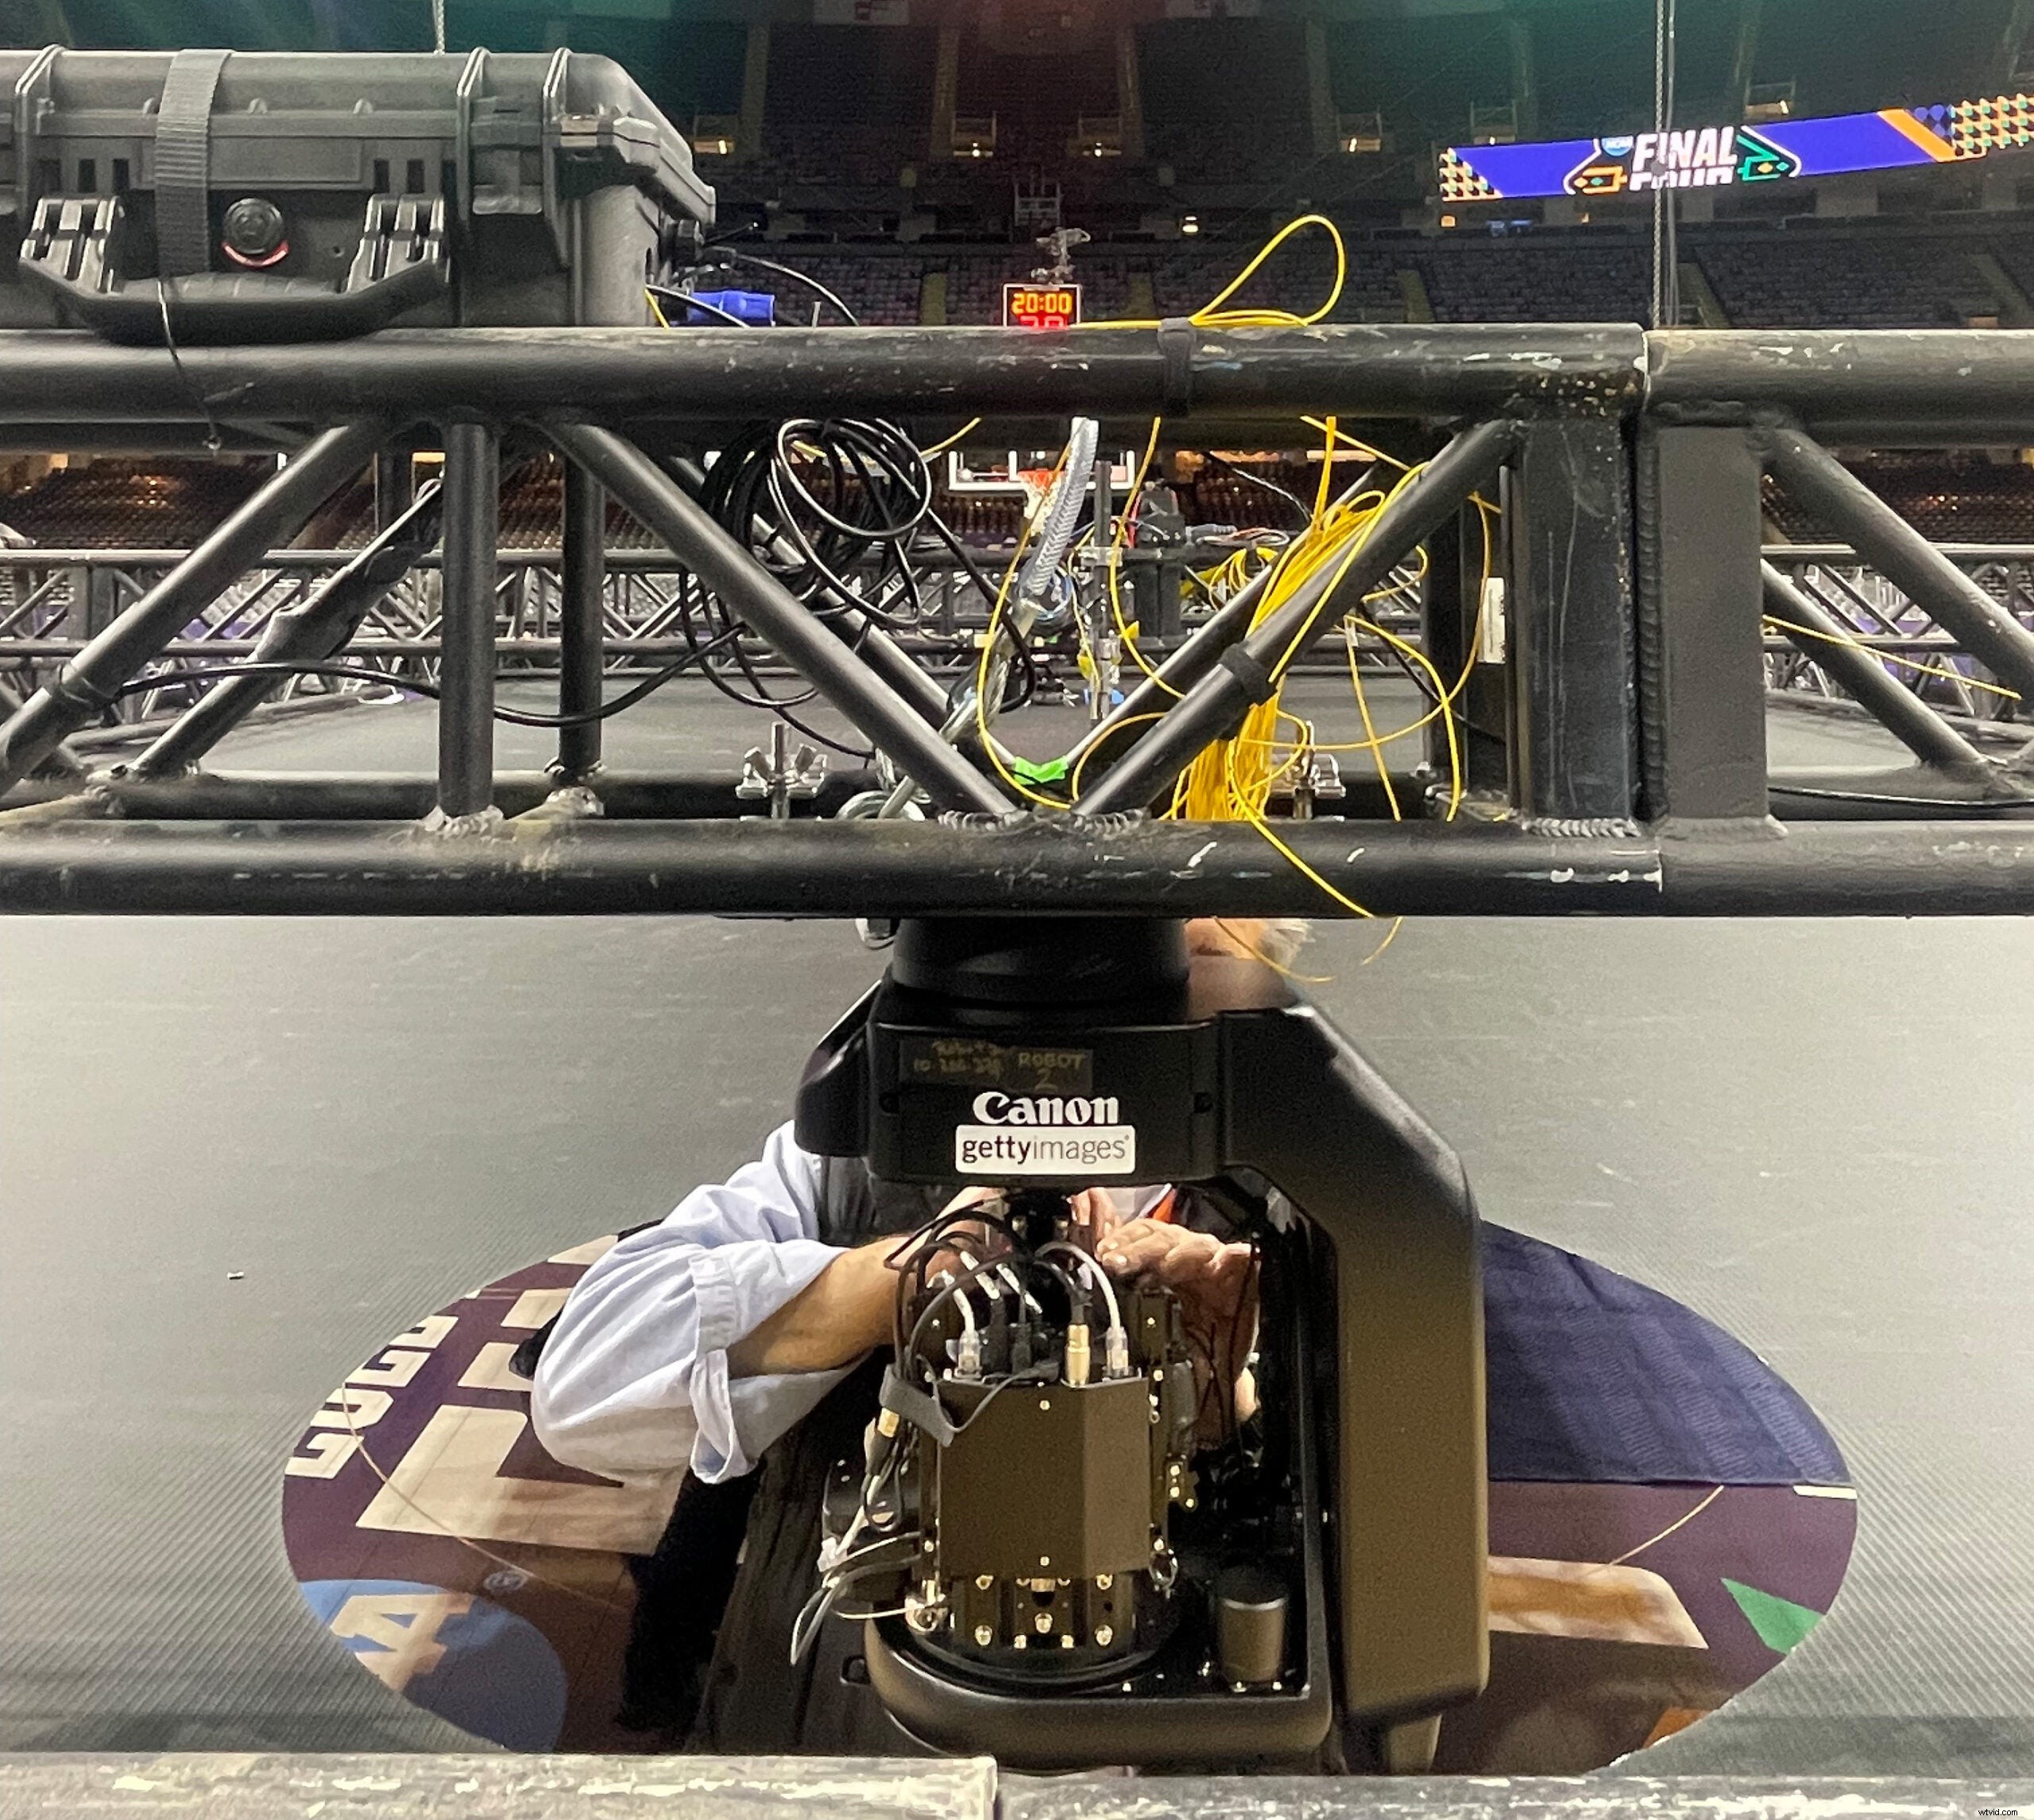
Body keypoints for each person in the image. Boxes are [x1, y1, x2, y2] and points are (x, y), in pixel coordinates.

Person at [531, 914, 1305, 1749]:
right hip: (837, 1734)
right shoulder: (851, 1165)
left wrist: (1225, 1404)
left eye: (1187, 967)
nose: (1121, 1015)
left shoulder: (1292, 1209)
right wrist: (887, 1282)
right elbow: (582, 1387)